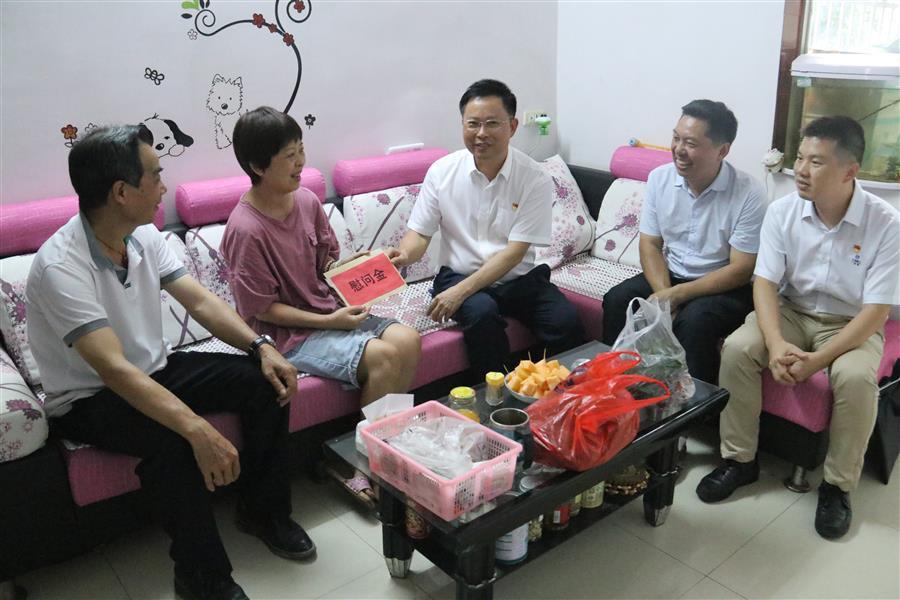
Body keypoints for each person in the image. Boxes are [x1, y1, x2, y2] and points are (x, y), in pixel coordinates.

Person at [26, 125, 311, 600]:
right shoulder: (61, 267)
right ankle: (202, 576)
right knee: (173, 442)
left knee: (263, 381)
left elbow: (199, 301)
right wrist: (196, 428)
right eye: (155, 176)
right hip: (90, 397)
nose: (164, 187)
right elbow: (114, 370)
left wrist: (260, 347)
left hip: (154, 370)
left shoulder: (141, 234)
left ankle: (264, 513)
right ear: (121, 192)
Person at [697, 116, 899, 540]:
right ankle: (739, 460)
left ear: (850, 171)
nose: (802, 171)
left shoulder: (886, 224)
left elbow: (876, 311)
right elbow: (765, 284)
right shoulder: (783, 211)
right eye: (800, 159)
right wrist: (774, 344)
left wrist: (817, 361)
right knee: (738, 348)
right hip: (793, 309)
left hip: (850, 322)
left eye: (817, 162)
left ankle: (837, 487)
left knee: (856, 378)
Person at [220, 106, 421, 508]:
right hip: (287, 336)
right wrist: (330, 321)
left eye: (301, 150)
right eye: (289, 156)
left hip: (328, 311)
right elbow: (262, 310)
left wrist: (362, 264)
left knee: (409, 340)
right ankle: (362, 468)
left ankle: (383, 448)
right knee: (382, 356)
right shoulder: (245, 230)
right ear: (258, 166)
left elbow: (325, 267)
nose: (301, 163)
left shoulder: (307, 201)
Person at [388, 79, 582, 376]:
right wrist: (403, 255)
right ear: (462, 125)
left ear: (512, 127)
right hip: (458, 274)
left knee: (565, 320)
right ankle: (495, 395)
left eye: (492, 123)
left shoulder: (534, 178)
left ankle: (559, 392)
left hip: (517, 279)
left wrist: (459, 294)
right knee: (482, 314)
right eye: (473, 124)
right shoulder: (442, 172)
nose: (481, 133)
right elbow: (420, 234)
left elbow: (514, 253)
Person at [601, 100, 765, 385]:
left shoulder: (749, 193)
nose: (678, 149)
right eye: (676, 138)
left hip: (723, 286)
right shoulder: (660, 179)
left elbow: (741, 269)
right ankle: (615, 387)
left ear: (722, 151)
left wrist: (677, 296)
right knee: (617, 300)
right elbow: (650, 245)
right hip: (672, 275)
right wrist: (665, 295)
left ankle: (697, 405)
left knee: (695, 322)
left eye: (690, 143)